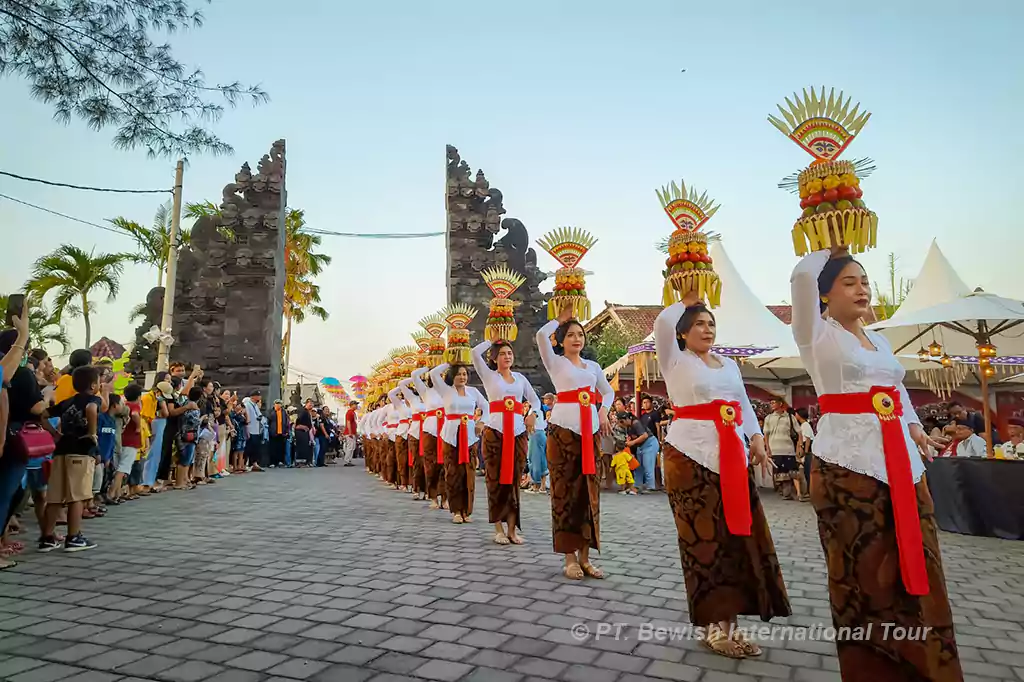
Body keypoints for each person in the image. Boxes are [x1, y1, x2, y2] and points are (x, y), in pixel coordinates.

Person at [792, 245, 961, 680]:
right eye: (848, 282)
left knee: (919, 564)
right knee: (863, 576)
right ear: (824, 294)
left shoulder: (881, 340)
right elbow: (800, 280)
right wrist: (827, 246)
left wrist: (914, 427)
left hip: (903, 465)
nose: (861, 289)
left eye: (864, 281)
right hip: (847, 464)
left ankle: (926, 667)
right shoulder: (816, 335)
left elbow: (895, 391)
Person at [654, 296, 790, 658]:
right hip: (687, 455)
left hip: (730, 456)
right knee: (702, 541)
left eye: (711, 323)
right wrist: (683, 297)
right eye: (698, 323)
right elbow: (661, 325)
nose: (707, 329)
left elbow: (742, 403)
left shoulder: (728, 365)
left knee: (736, 537)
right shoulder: (674, 359)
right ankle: (713, 627)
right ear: (682, 332)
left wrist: (758, 438)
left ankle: (728, 624)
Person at [536, 306, 614, 580]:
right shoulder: (556, 362)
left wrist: (603, 409)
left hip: (590, 431)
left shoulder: (593, 367)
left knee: (589, 493)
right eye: (570, 335)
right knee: (565, 493)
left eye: (580, 334)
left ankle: (586, 557)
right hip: (563, 431)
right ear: (561, 339)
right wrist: (560, 317)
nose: (576, 339)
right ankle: (569, 558)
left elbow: (608, 390)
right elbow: (540, 336)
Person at [471, 339, 545, 546]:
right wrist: (491, 339)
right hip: (495, 432)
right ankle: (498, 528)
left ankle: (512, 529)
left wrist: (532, 414)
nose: (507, 356)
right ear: (494, 358)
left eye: (509, 353)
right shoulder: (489, 376)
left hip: (518, 432)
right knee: (495, 480)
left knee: (514, 480)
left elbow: (536, 400)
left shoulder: (520, 379)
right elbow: (474, 354)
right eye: (502, 353)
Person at [39, 365, 104, 552]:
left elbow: (43, 415)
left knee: (55, 497)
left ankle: (47, 537)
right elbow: (92, 409)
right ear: (93, 385)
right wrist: (92, 433)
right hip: (81, 451)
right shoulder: (93, 399)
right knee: (78, 495)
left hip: (61, 451)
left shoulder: (67, 402)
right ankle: (74, 537)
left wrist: (55, 434)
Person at [430, 362, 488, 524]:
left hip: (469, 435)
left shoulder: (473, 392)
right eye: (458, 374)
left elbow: (486, 406)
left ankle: (467, 510)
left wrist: (481, 422)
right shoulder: (446, 391)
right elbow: (434, 373)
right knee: (453, 473)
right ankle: (456, 510)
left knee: (469, 474)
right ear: (452, 376)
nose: (462, 377)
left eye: (464, 374)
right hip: (450, 435)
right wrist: (451, 360)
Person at [412, 367, 446, 509]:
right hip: (430, 430)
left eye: (444, 374)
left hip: (446, 430)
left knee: (446, 465)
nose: (441, 376)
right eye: (439, 374)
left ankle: (445, 497)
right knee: (430, 465)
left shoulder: (449, 390)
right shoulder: (426, 391)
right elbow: (414, 375)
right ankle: (433, 497)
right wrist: (433, 363)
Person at [763, 399, 803, 500]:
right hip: (775, 448)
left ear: (780, 404)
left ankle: (799, 493)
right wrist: (767, 449)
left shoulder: (790, 417)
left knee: (793, 471)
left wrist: (800, 445)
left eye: (773, 402)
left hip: (789, 448)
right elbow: (766, 435)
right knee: (781, 473)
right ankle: (786, 493)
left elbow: (799, 432)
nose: (772, 404)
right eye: (771, 403)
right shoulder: (768, 418)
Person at [399, 377, 427, 499]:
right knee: (417, 462)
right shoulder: (413, 399)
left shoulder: (432, 397)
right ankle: (416, 488)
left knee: (429, 462)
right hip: (415, 432)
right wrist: (416, 377)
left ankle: (428, 491)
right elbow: (401, 384)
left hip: (429, 432)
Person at [620, 408, 659, 494]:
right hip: (640, 447)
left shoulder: (636, 423)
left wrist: (632, 442)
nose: (620, 425)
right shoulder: (628, 427)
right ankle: (637, 485)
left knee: (647, 465)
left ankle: (650, 486)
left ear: (626, 420)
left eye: (621, 422)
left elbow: (644, 435)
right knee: (638, 466)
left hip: (649, 444)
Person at [175, 386, 202, 489]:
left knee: (187, 459)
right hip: (188, 435)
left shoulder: (185, 402)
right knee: (184, 459)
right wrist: (201, 419)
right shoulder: (191, 405)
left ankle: (185, 479)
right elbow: (193, 420)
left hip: (187, 434)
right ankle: (179, 482)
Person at [608, 427, 638, 494]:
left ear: (616, 448)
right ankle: (632, 490)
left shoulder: (615, 456)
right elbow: (630, 459)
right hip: (626, 469)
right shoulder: (625, 454)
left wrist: (610, 468)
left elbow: (613, 464)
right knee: (629, 479)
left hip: (620, 470)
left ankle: (623, 490)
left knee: (622, 481)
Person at [241, 389, 264, 472]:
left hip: (256, 428)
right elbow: (245, 414)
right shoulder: (247, 404)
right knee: (248, 447)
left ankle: (254, 463)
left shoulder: (255, 405)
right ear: (254, 396)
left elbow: (258, 414)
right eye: (258, 395)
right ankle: (244, 464)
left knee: (256, 448)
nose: (260, 397)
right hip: (250, 428)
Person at [795, 407, 814, 500]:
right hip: (806, 451)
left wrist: (805, 451)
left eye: (796, 414)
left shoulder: (805, 425)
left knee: (808, 472)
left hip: (808, 452)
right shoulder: (802, 425)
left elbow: (807, 439)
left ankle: (811, 493)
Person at [268, 399, 290, 467]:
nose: (278, 405)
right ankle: (273, 462)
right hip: (274, 432)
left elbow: (287, 421)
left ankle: (280, 461)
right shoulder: (271, 412)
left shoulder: (284, 412)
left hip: (282, 432)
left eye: (279, 403)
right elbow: (268, 420)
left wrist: (286, 431)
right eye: (277, 403)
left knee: (281, 448)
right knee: (273, 448)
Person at [294, 398, 315, 467]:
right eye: (310, 403)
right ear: (306, 404)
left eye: (312, 404)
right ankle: (300, 462)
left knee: (307, 446)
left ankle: (307, 461)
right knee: (301, 447)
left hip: (306, 432)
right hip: (301, 432)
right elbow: (297, 421)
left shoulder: (308, 412)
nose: (311, 405)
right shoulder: (302, 411)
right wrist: (300, 426)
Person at [342, 400, 359, 466]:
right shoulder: (349, 412)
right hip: (349, 433)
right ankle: (347, 461)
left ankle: (349, 460)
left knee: (352, 447)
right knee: (350, 447)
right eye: (355, 404)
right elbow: (348, 422)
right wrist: (350, 433)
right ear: (352, 405)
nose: (357, 406)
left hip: (353, 432)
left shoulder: (353, 413)